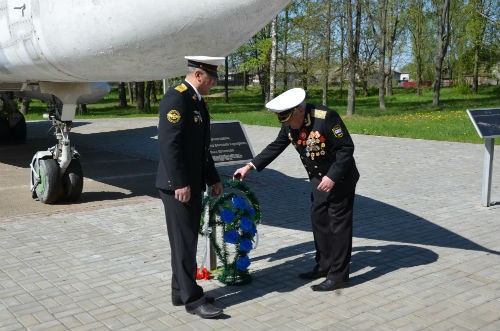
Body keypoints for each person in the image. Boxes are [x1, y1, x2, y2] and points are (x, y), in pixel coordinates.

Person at [233, 88, 359, 291]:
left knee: (338, 227)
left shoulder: (326, 118)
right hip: (318, 180)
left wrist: (332, 177)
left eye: (290, 119)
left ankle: (338, 275)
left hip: (339, 178)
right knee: (320, 223)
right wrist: (249, 166)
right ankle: (324, 265)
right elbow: (276, 146)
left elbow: (346, 148)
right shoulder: (289, 123)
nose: (288, 125)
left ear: (300, 110)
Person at [156, 56, 225, 319]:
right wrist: (180, 183)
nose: (214, 82)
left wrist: (213, 177)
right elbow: (169, 145)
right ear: (198, 74)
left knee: (186, 240)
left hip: (190, 183)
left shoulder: (196, 101)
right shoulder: (177, 98)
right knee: (185, 242)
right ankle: (192, 299)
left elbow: (201, 148)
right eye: (212, 78)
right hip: (178, 186)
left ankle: (179, 290)